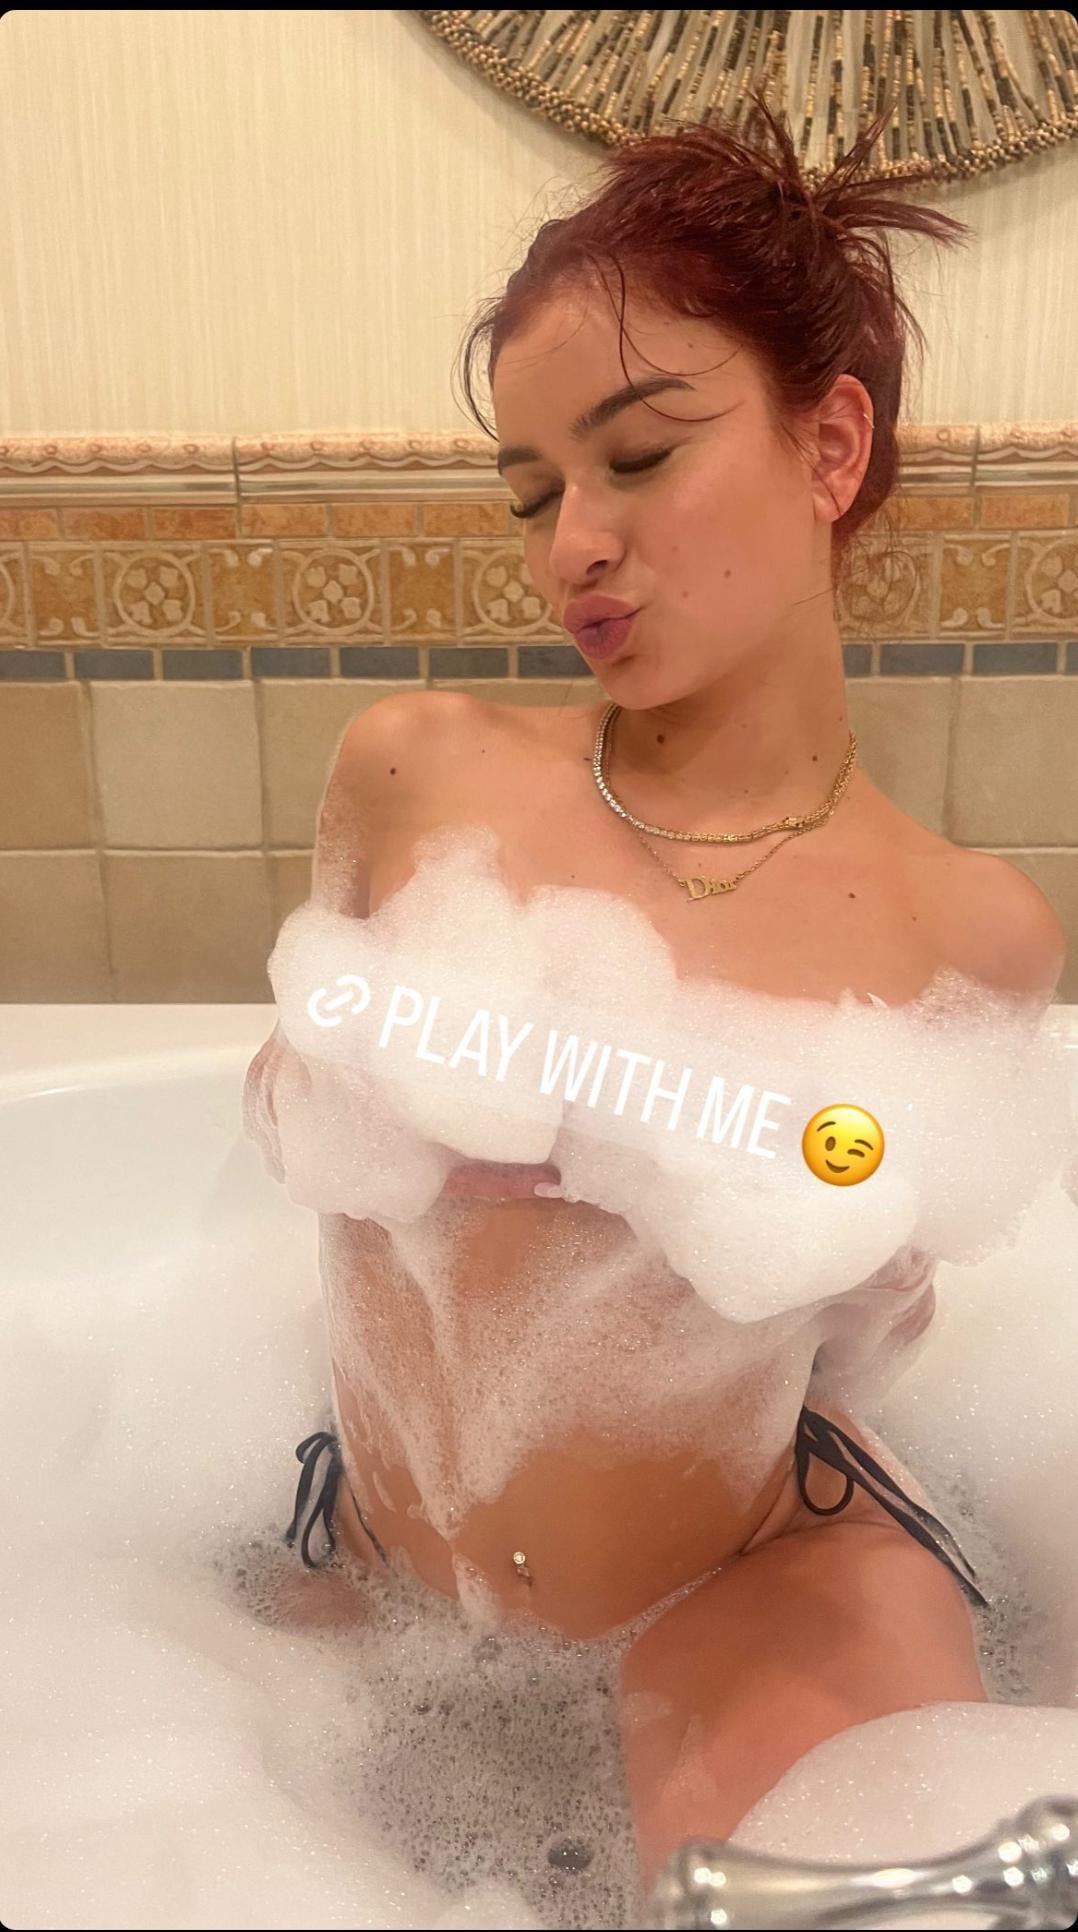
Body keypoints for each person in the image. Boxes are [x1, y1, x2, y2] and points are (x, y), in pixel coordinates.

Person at [243, 99, 1067, 1890]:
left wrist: (791, 1189)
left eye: (635, 456)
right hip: (370, 1563)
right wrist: (376, 1094)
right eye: (535, 494)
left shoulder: (971, 930)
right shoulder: (416, 773)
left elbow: (865, 1295)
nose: (571, 548)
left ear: (826, 445)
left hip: (744, 1586)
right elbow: (284, 1098)